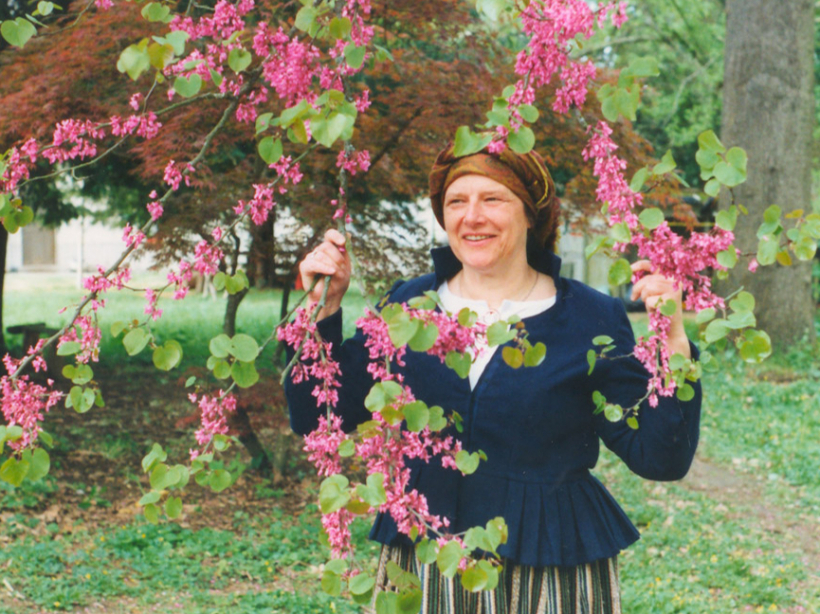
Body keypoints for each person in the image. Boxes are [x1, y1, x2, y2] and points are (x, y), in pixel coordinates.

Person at [286, 144, 702, 614]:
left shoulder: (591, 317)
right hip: (427, 563)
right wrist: (323, 308)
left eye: (493, 199)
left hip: (549, 570)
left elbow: (661, 457)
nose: (472, 216)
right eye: (456, 201)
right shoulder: (407, 307)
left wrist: (674, 345)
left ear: (531, 214)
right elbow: (318, 416)